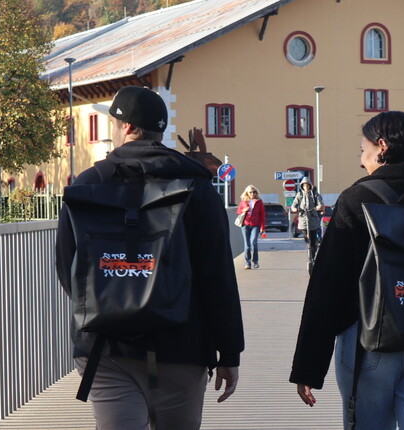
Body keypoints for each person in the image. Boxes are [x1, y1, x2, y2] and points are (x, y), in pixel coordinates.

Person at [56, 86, 244, 430]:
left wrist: (113, 300)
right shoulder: (197, 187)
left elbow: (69, 267)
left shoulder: (89, 183)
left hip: (106, 346)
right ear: (159, 131)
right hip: (183, 344)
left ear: (126, 127)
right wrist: (229, 352)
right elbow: (217, 275)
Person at [289, 111, 404, 429]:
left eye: (363, 149)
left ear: (381, 146)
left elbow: (327, 287)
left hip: (369, 345)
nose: (362, 160)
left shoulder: (356, 200)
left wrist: (309, 366)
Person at [290, 177, 324, 271]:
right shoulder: (299, 195)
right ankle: (309, 249)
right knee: (307, 239)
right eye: (304, 185)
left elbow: (320, 203)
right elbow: (293, 205)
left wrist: (319, 206)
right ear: (302, 186)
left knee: (313, 241)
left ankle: (313, 256)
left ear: (310, 185)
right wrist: (294, 209)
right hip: (303, 219)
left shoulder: (315, 194)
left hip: (313, 219)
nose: (306, 187)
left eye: (307, 185)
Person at [237, 185, 265, 269]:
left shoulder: (259, 202)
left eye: (254, 192)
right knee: (247, 244)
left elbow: (262, 215)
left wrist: (262, 227)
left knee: (253, 242)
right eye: (250, 192)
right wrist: (243, 210)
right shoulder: (243, 201)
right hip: (245, 224)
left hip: (255, 225)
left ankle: (255, 261)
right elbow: (238, 211)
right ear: (247, 193)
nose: (252, 194)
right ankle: (248, 262)